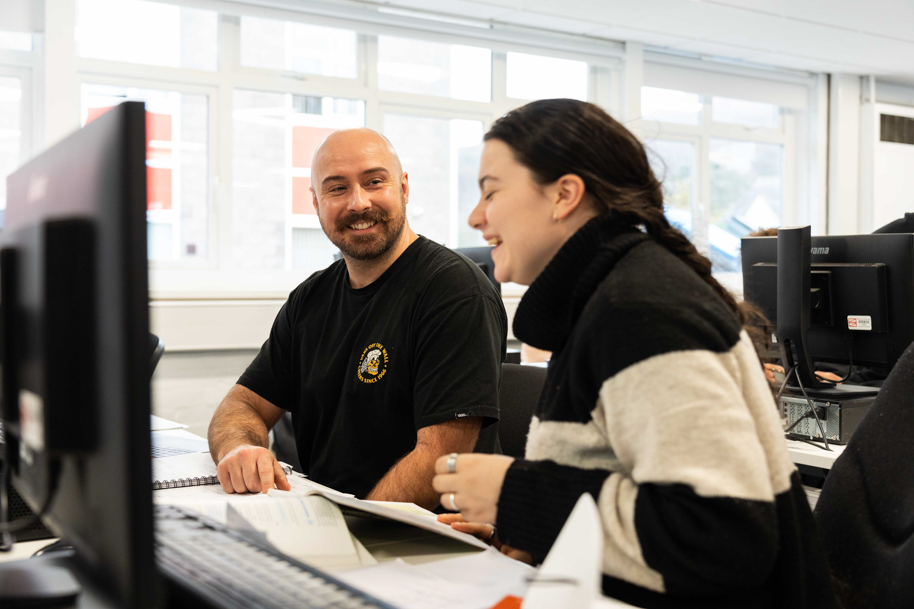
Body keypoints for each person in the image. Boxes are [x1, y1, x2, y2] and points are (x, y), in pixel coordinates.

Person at [432, 100, 836, 608]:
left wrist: (519, 496)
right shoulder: (609, 297)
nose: (475, 217)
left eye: (490, 192)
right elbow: (630, 488)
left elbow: (722, 537)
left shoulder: (638, 309)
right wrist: (529, 527)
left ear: (563, 195)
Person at [208, 128, 507, 508]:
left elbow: (440, 461)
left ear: (404, 188)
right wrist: (240, 450)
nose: (359, 202)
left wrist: (352, 531)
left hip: (425, 538)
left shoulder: (455, 292)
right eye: (337, 189)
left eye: (374, 182)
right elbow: (242, 405)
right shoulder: (310, 299)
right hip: (331, 519)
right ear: (316, 203)